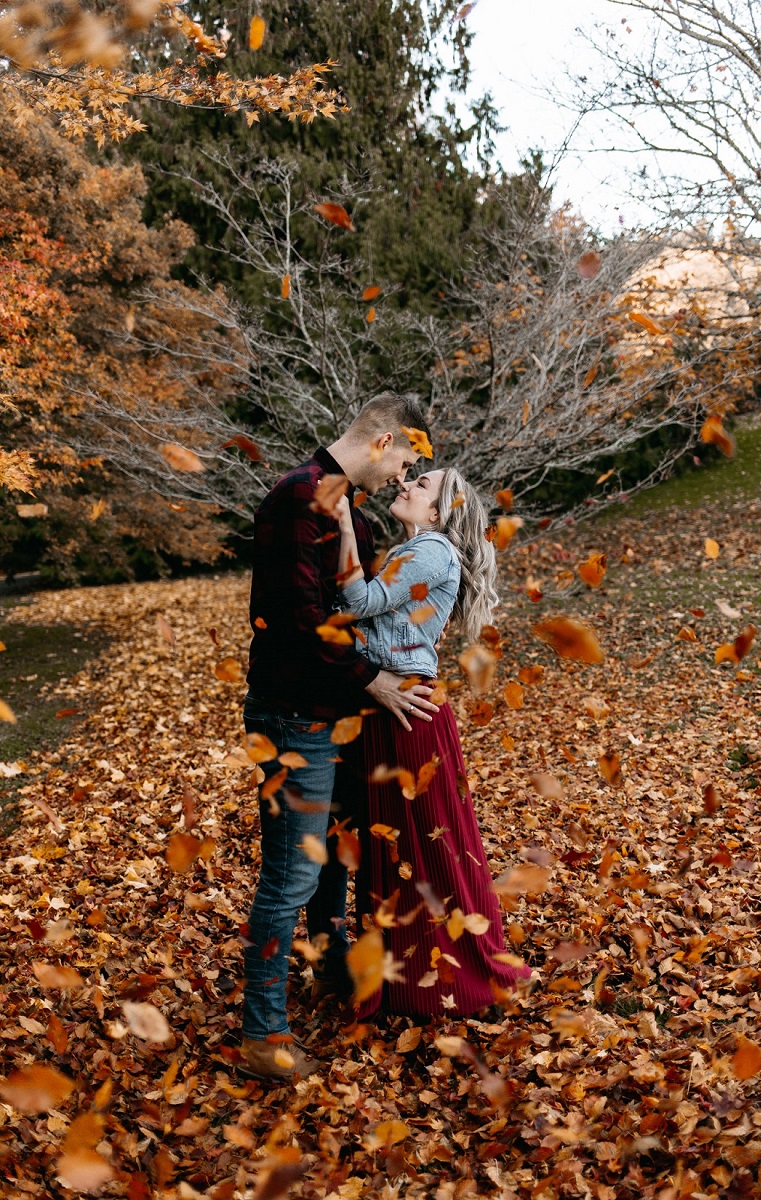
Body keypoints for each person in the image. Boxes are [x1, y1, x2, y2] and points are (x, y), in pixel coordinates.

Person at [239, 394, 440, 1082]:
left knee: (332, 861)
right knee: (291, 873)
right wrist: (375, 681)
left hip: (335, 711)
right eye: (407, 459)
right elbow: (299, 623)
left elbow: (352, 609)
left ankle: (329, 974)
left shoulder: (340, 502)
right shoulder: (299, 498)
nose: (403, 476)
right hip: (295, 714)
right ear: (383, 440)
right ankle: (262, 1033)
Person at [334, 466, 531, 1018]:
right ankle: (403, 975)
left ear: (442, 511)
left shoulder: (431, 552)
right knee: (400, 843)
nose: (406, 485)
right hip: (392, 705)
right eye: (410, 478)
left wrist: (345, 527)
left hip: (407, 712)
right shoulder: (417, 551)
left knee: (420, 845)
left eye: (421, 484)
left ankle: (441, 977)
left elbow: (358, 603)